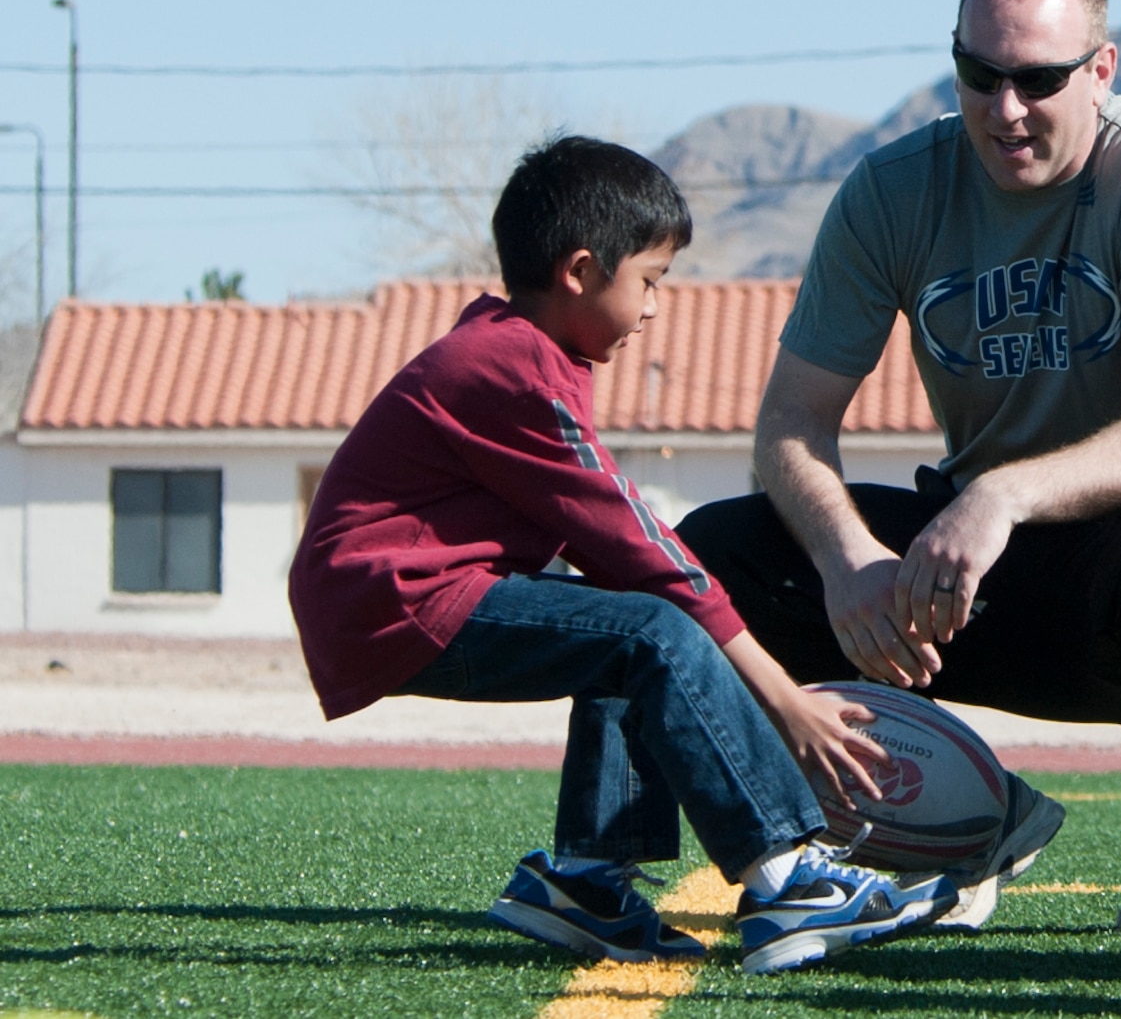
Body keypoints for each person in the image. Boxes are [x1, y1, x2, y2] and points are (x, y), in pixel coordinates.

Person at [675, 0, 1121, 939]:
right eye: (979, 73)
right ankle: (941, 830)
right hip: (983, 576)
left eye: (1039, 79)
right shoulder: (892, 189)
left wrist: (998, 495)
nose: (1005, 107)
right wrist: (848, 562)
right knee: (720, 549)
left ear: (1101, 70)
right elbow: (789, 423)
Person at [288, 135, 956, 976]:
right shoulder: (512, 366)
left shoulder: (532, 353)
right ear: (578, 270)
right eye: (649, 280)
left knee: (623, 635)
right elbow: (639, 544)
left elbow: (616, 551)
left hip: (394, 589)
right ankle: (788, 877)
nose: (651, 310)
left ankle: (586, 881)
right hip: (391, 593)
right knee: (649, 628)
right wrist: (784, 700)